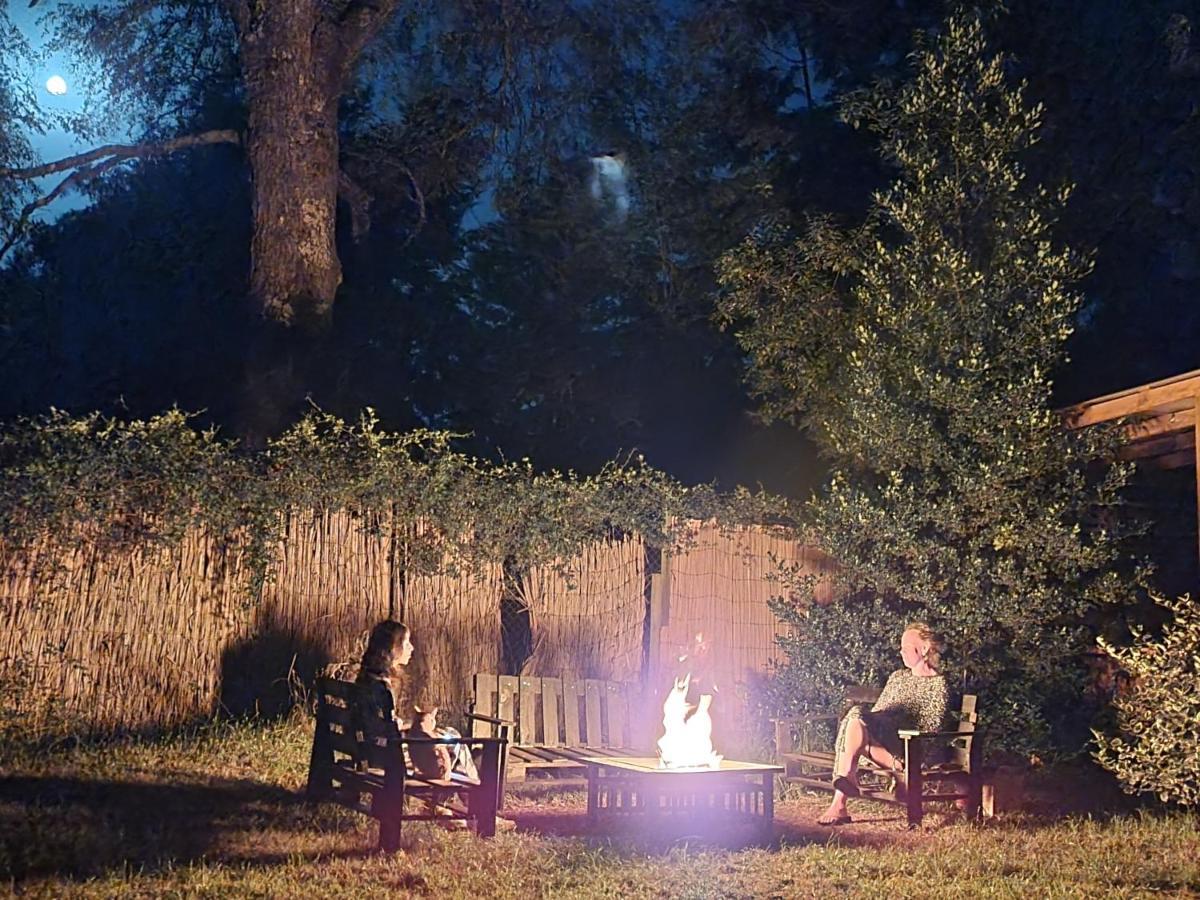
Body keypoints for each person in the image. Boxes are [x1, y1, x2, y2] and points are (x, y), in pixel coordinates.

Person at [817, 622, 949, 826]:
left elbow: (931, 730)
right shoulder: (897, 678)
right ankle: (845, 784)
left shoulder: (938, 685)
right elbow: (878, 712)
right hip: (883, 745)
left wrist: (894, 723)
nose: (901, 652)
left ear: (924, 649)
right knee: (856, 717)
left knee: (856, 716)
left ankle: (841, 797)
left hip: (909, 750)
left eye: (906, 646)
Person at [353, 620, 478, 783]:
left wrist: (402, 725)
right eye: (406, 642)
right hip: (387, 756)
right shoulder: (382, 687)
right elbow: (387, 733)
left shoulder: (365, 679)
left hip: (369, 748)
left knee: (444, 736)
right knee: (453, 738)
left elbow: (378, 724)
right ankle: (475, 790)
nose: (411, 648)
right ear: (393, 648)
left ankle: (445, 799)